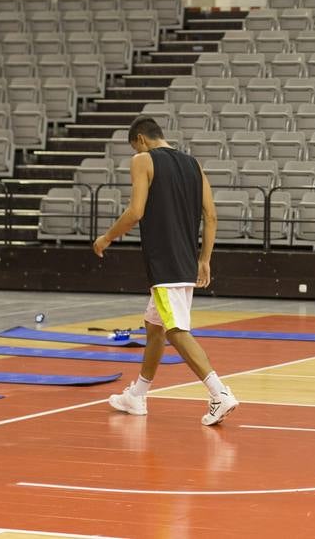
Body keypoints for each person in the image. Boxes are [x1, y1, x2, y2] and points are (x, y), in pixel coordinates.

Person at [93, 115, 238, 426]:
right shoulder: (194, 164)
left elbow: (135, 212)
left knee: (175, 330)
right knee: (154, 326)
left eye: (135, 148)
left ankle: (219, 393)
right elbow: (211, 216)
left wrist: (106, 237)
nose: (136, 153)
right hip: (186, 260)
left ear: (141, 140)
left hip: (165, 262)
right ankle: (137, 395)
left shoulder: (143, 160)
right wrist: (205, 259)